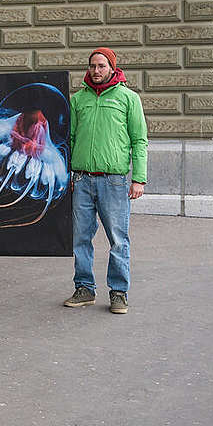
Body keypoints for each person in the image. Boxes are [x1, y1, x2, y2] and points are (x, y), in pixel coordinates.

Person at [63, 47, 148, 315]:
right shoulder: (79, 100)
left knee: (118, 239)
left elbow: (139, 140)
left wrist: (139, 179)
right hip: (83, 181)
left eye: (101, 66)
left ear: (112, 67)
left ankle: (119, 292)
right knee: (81, 238)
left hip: (114, 182)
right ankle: (84, 288)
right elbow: (72, 138)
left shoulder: (128, 99)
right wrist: (69, 175)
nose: (96, 71)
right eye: (92, 66)